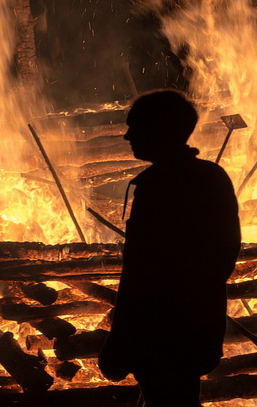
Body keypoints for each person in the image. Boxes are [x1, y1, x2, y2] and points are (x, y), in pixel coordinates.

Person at [98, 89, 242, 406]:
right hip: (197, 326)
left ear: (158, 130)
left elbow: (142, 273)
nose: (127, 136)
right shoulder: (211, 177)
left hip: (161, 335)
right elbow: (226, 254)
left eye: (135, 127)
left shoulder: (160, 187)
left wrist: (120, 338)